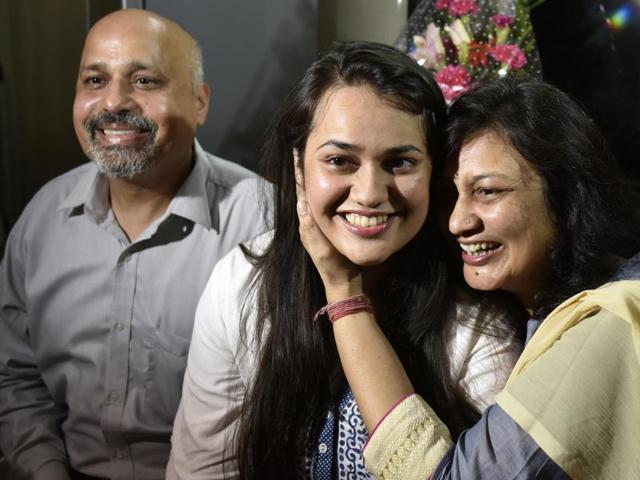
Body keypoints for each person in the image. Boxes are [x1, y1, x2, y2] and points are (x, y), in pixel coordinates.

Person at [168, 41, 523, 480]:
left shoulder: (476, 309)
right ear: (298, 166)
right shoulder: (242, 283)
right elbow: (201, 470)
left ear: (435, 170)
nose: (371, 192)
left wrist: (345, 296)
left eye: (400, 162)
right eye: (339, 161)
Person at [297, 78, 640, 479]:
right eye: (449, 194)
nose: (459, 221)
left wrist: (344, 295)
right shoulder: (547, 310)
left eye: (489, 191)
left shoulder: (607, 324)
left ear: (567, 193)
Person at [0, 9, 268, 480]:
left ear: (200, 102)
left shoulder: (261, 219)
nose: (114, 103)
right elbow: (15, 377)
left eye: (144, 80)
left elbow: (287, 398)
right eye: (94, 80)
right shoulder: (42, 219)